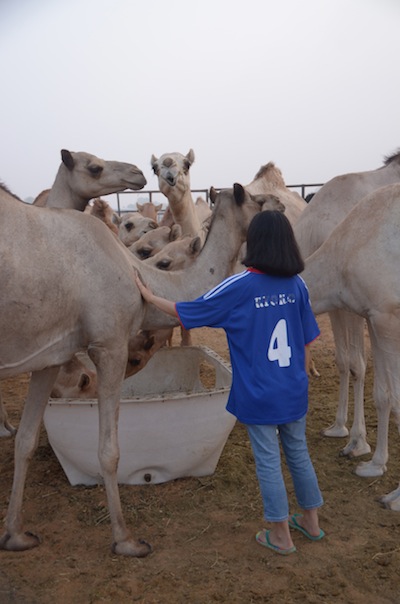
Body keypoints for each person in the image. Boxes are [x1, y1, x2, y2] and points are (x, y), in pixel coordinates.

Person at [135, 210, 324, 556]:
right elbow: (309, 340)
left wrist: (149, 297)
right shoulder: (298, 285)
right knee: (299, 454)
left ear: (255, 242)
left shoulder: (241, 285)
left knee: (268, 460)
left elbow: (186, 310)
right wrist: (298, 381)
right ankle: (311, 523)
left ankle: (281, 535)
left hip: (259, 394)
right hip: (294, 390)